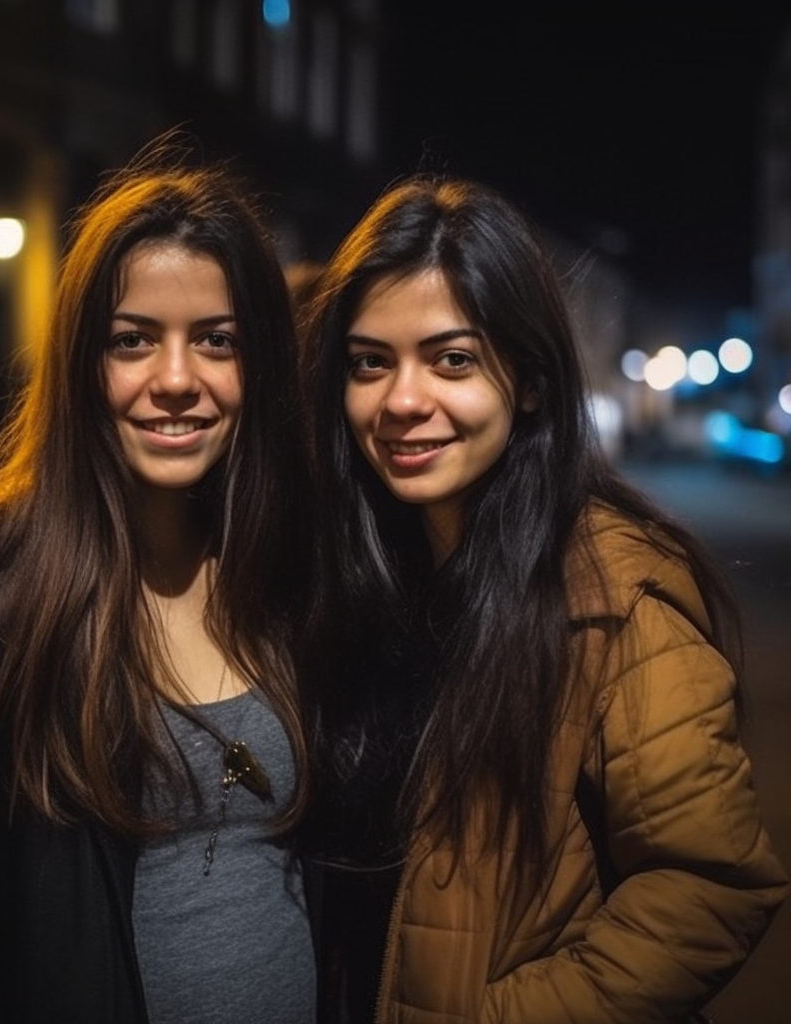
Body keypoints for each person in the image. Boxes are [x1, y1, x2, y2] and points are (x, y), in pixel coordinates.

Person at [0, 138, 317, 1024]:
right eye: (132, 341)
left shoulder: (295, 571)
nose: (175, 380)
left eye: (217, 341)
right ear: (80, 364)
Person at [298, 175, 789, 1023]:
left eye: (452, 359)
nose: (403, 401)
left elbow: (711, 885)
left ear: (527, 382)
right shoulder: (349, 574)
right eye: (370, 363)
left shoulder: (614, 593)